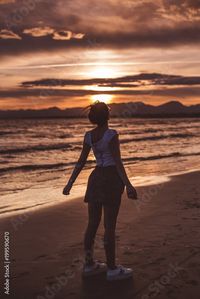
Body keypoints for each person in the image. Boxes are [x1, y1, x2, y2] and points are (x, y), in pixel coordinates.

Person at [63, 101, 137, 281]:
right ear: (108, 116)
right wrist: (129, 185)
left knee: (92, 224)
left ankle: (89, 265)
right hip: (111, 179)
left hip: (95, 178)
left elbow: (80, 162)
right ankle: (111, 269)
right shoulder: (111, 134)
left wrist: (70, 183)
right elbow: (118, 163)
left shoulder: (88, 136)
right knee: (109, 227)